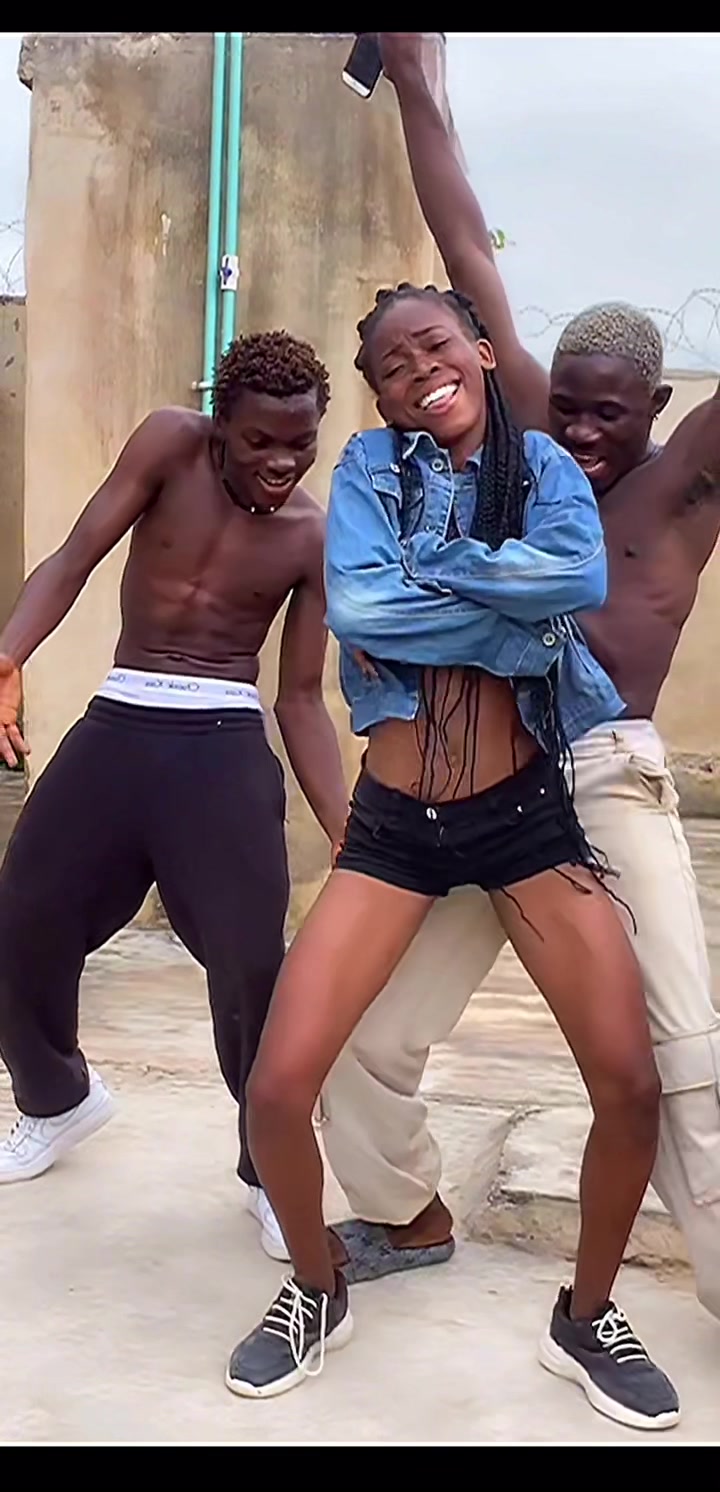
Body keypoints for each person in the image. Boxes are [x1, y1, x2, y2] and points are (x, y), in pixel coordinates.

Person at [318, 25, 720, 1390]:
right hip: (477, 774)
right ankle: (405, 1213)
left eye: (612, 417)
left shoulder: (683, 484)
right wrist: (417, 79)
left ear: (659, 406)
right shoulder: (522, 435)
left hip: (599, 771)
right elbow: (464, 244)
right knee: (369, 1037)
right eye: (572, 411)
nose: (585, 437)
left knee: (682, 1052)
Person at [224, 278, 679, 1429]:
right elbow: (365, 613)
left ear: (479, 349)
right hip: (395, 828)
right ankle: (317, 1285)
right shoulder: (369, 473)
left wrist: (436, 573)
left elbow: (576, 580)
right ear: (379, 395)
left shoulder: (550, 470)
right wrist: (505, 611)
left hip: (524, 817)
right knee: (279, 1086)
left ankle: (587, 1315)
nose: (416, 370)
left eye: (434, 345)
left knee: (630, 1082)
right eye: (391, 366)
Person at [0, 330, 348, 1260]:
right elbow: (75, 555)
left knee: (250, 967)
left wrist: (346, 827)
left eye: (300, 444)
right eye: (260, 441)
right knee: (21, 918)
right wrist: (10, 654)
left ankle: (269, 1170)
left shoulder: (313, 535)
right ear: (219, 425)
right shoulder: (167, 444)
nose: (281, 463)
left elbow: (301, 697)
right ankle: (57, 1099)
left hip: (223, 739)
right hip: (119, 720)